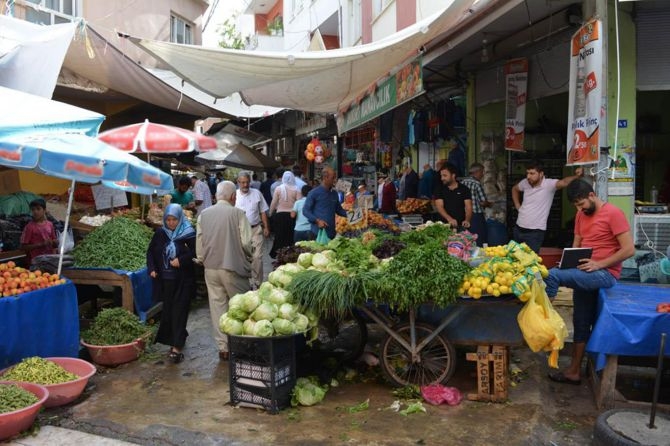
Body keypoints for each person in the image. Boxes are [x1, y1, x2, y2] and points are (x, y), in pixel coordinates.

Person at [545, 180, 634, 385]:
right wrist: (568, 262)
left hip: (604, 273)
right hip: (584, 272)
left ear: (592, 195)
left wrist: (599, 264)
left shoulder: (614, 213)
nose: (579, 209)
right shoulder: (580, 215)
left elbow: (629, 250)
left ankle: (545, 317)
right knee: (581, 321)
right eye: (576, 205)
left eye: (581, 203)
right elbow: (577, 243)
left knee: (551, 275)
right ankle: (574, 371)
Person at [196, 181, 253, 361]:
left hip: (210, 268)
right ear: (232, 197)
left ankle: (224, 348)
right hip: (233, 267)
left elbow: (200, 242)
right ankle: (242, 345)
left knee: (217, 307)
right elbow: (246, 243)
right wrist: (248, 257)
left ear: (216, 196)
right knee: (241, 306)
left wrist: (202, 259)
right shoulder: (238, 214)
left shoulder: (203, 215)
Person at [147, 204, 196, 364]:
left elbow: (196, 252)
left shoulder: (188, 233)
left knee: (179, 311)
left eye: (174, 219)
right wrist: (153, 268)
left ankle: (177, 347)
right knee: (168, 311)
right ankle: (177, 337)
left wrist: (181, 260)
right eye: (168, 219)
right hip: (166, 281)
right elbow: (151, 252)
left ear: (180, 218)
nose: (171, 223)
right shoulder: (161, 233)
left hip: (184, 280)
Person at [511, 161, 583, 253]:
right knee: (514, 258)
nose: (528, 176)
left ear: (541, 174)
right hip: (518, 228)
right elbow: (514, 189)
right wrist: (517, 205)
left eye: (532, 173)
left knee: (530, 261)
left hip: (535, 232)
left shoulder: (549, 184)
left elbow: (564, 182)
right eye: (527, 173)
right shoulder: (525, 182)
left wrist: (578, 176)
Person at [235, 171, 270, 289]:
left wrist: (266, 227)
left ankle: (258, 282)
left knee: (257, 257)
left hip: (255, 229)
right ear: (238, 182)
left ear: (250, 182)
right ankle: (247, 282)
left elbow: (263, 211)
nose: (245, 185)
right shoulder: (234, 196)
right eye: (243, 182)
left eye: (247, 182)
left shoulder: (257, 193)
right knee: (244, 258)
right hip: (240, 232)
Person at [302, 166, 348, 240]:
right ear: (325, 178)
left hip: (331, 233)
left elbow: (339, 210)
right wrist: (317, 221)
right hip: (317, 234)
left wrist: (352, 214)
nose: (335, 180)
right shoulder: (313, 193)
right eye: (333, 178)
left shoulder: (334, 193)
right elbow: (305, 211)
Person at [434, 162, 473, 231]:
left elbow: (468, 207)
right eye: (441, 176)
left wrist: (467, 220)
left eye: (445, 176)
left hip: (461, 226)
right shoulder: (439, 189)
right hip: (443, 226)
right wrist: (450, 219)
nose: (442, 178)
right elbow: (439, 207)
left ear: (453, 175)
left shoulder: (464, 189)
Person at [460, 163, 492, 246]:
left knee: (466, 238)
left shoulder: (462, 182)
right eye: (482, 172)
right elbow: (483, 201)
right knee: (479, 238)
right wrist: (489, 204)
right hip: (476, 216)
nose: (483, 174)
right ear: (477, 172)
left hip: (464, 214)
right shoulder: (476, 184)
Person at [269, 170, 299, 257]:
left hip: (280, 216)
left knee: (279, 236)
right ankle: (290, 254)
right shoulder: (296, 189)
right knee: (290, 236)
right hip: (292, 216)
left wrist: (270, 213)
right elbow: (299, 203)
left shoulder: (279, 189)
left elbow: (274, 203)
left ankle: (279, 254)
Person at [20, 198, 57, 264]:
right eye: (33, 209)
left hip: (49, 260)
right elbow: (23, 247)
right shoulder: (29, 227)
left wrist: (54, 242)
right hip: (35, 262)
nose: (35, 212)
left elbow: (54, 241)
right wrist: (41, 244)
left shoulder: (50, 224)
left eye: (38, 209)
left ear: (44, 210)